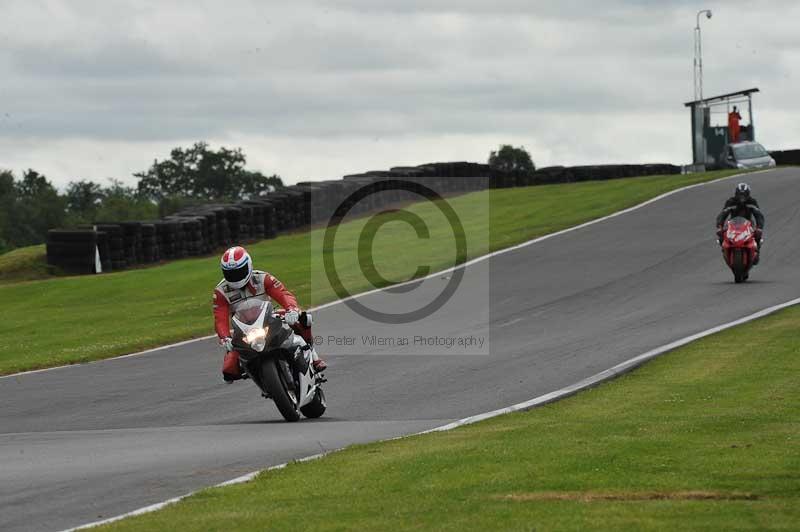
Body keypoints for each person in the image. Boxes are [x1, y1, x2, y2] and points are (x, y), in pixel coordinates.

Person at [212, 245, 327, 382]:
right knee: (228, 371)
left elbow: (283, 294)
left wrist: (291, 309)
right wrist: (225, 338)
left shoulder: (262, 278)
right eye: (231, 273)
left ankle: (314, 357)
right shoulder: (221, 291)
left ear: (248, 266)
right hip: (243, 329)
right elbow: (220, 317)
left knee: (304, 319)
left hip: (269, 318)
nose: (235, 277)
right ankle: (258, 375)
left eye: (239, 272)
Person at [716, 183, 765, 263]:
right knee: (721, 233)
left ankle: (757, 251)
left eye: (744, 195)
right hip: (732, 224)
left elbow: (758, 215)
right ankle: (724, 249)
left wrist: (759, 227)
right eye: (740, 195)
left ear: (748, 194)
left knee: (757, 233)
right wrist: (719, 226)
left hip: (748, 223)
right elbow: (723, 214)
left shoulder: (752, 202)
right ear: (736, 194)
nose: (742, 197)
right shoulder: (731, 202)